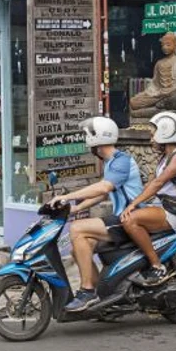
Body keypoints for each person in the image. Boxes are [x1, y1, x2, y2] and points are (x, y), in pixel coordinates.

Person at [47, 116, 144, 312]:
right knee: (78, 248)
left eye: (87, 135)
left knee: (77, 229)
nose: (86, 140)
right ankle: (104, 297)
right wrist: (75, 208)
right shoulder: (111, 163)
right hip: (120, 217)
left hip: (129, 218)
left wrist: (67, 198)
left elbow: (102, 188)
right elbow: (104, 193)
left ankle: (87, 291)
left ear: (97, 137)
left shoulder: (121, 161)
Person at [120, 111, 176, 287]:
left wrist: (134, 204)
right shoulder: (165, 158)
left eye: (154, 135)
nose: (151, 140)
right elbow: (151, 184)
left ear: (166, 133)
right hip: (165, 207)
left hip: (175, 211)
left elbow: (158, 183)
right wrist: (135, 201)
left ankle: (157, 266)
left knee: (130, 220)